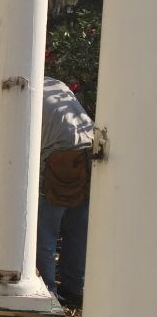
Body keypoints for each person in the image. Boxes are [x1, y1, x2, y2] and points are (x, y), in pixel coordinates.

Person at [36, 76, 94, 304]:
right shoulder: (55, 84)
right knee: (78, 229)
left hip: (59, 157)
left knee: (45, 230)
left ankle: (47, 292)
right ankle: (74, 288)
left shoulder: (25, 91)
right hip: (89, 151)